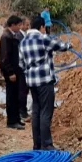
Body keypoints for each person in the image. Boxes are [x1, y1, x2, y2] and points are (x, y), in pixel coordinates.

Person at [19, 16, 72, 150]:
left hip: (31, 82)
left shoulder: (23, 41)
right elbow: (60, 46)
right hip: (45, 82)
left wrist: (30, 72)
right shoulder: (43, 38)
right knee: (45, 112)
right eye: (44, 28)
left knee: (36, 111)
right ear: (42, 27)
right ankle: (47, 144)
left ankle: (37, 145)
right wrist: (69, 45)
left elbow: (21, 63)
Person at [0, 15, 24, 130]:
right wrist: (10, 72)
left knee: (16, 95)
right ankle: (11, 121)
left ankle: (17, 118)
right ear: (12, 25)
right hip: (11, 72)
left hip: (16, 69)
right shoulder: (6, 37)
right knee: (11, 96)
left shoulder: (12, 36)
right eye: (19, 25)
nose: (20, 27)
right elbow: (4, 58)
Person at [15, 17, 30, 120]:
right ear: (22, 25)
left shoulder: (23, 35)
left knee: (24, 90)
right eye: (27, 25)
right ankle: (22, 113)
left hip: (23, 67)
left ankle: (22, 111)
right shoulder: (19, 36)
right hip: (21, 68)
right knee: (22, 90)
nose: (28, 27)